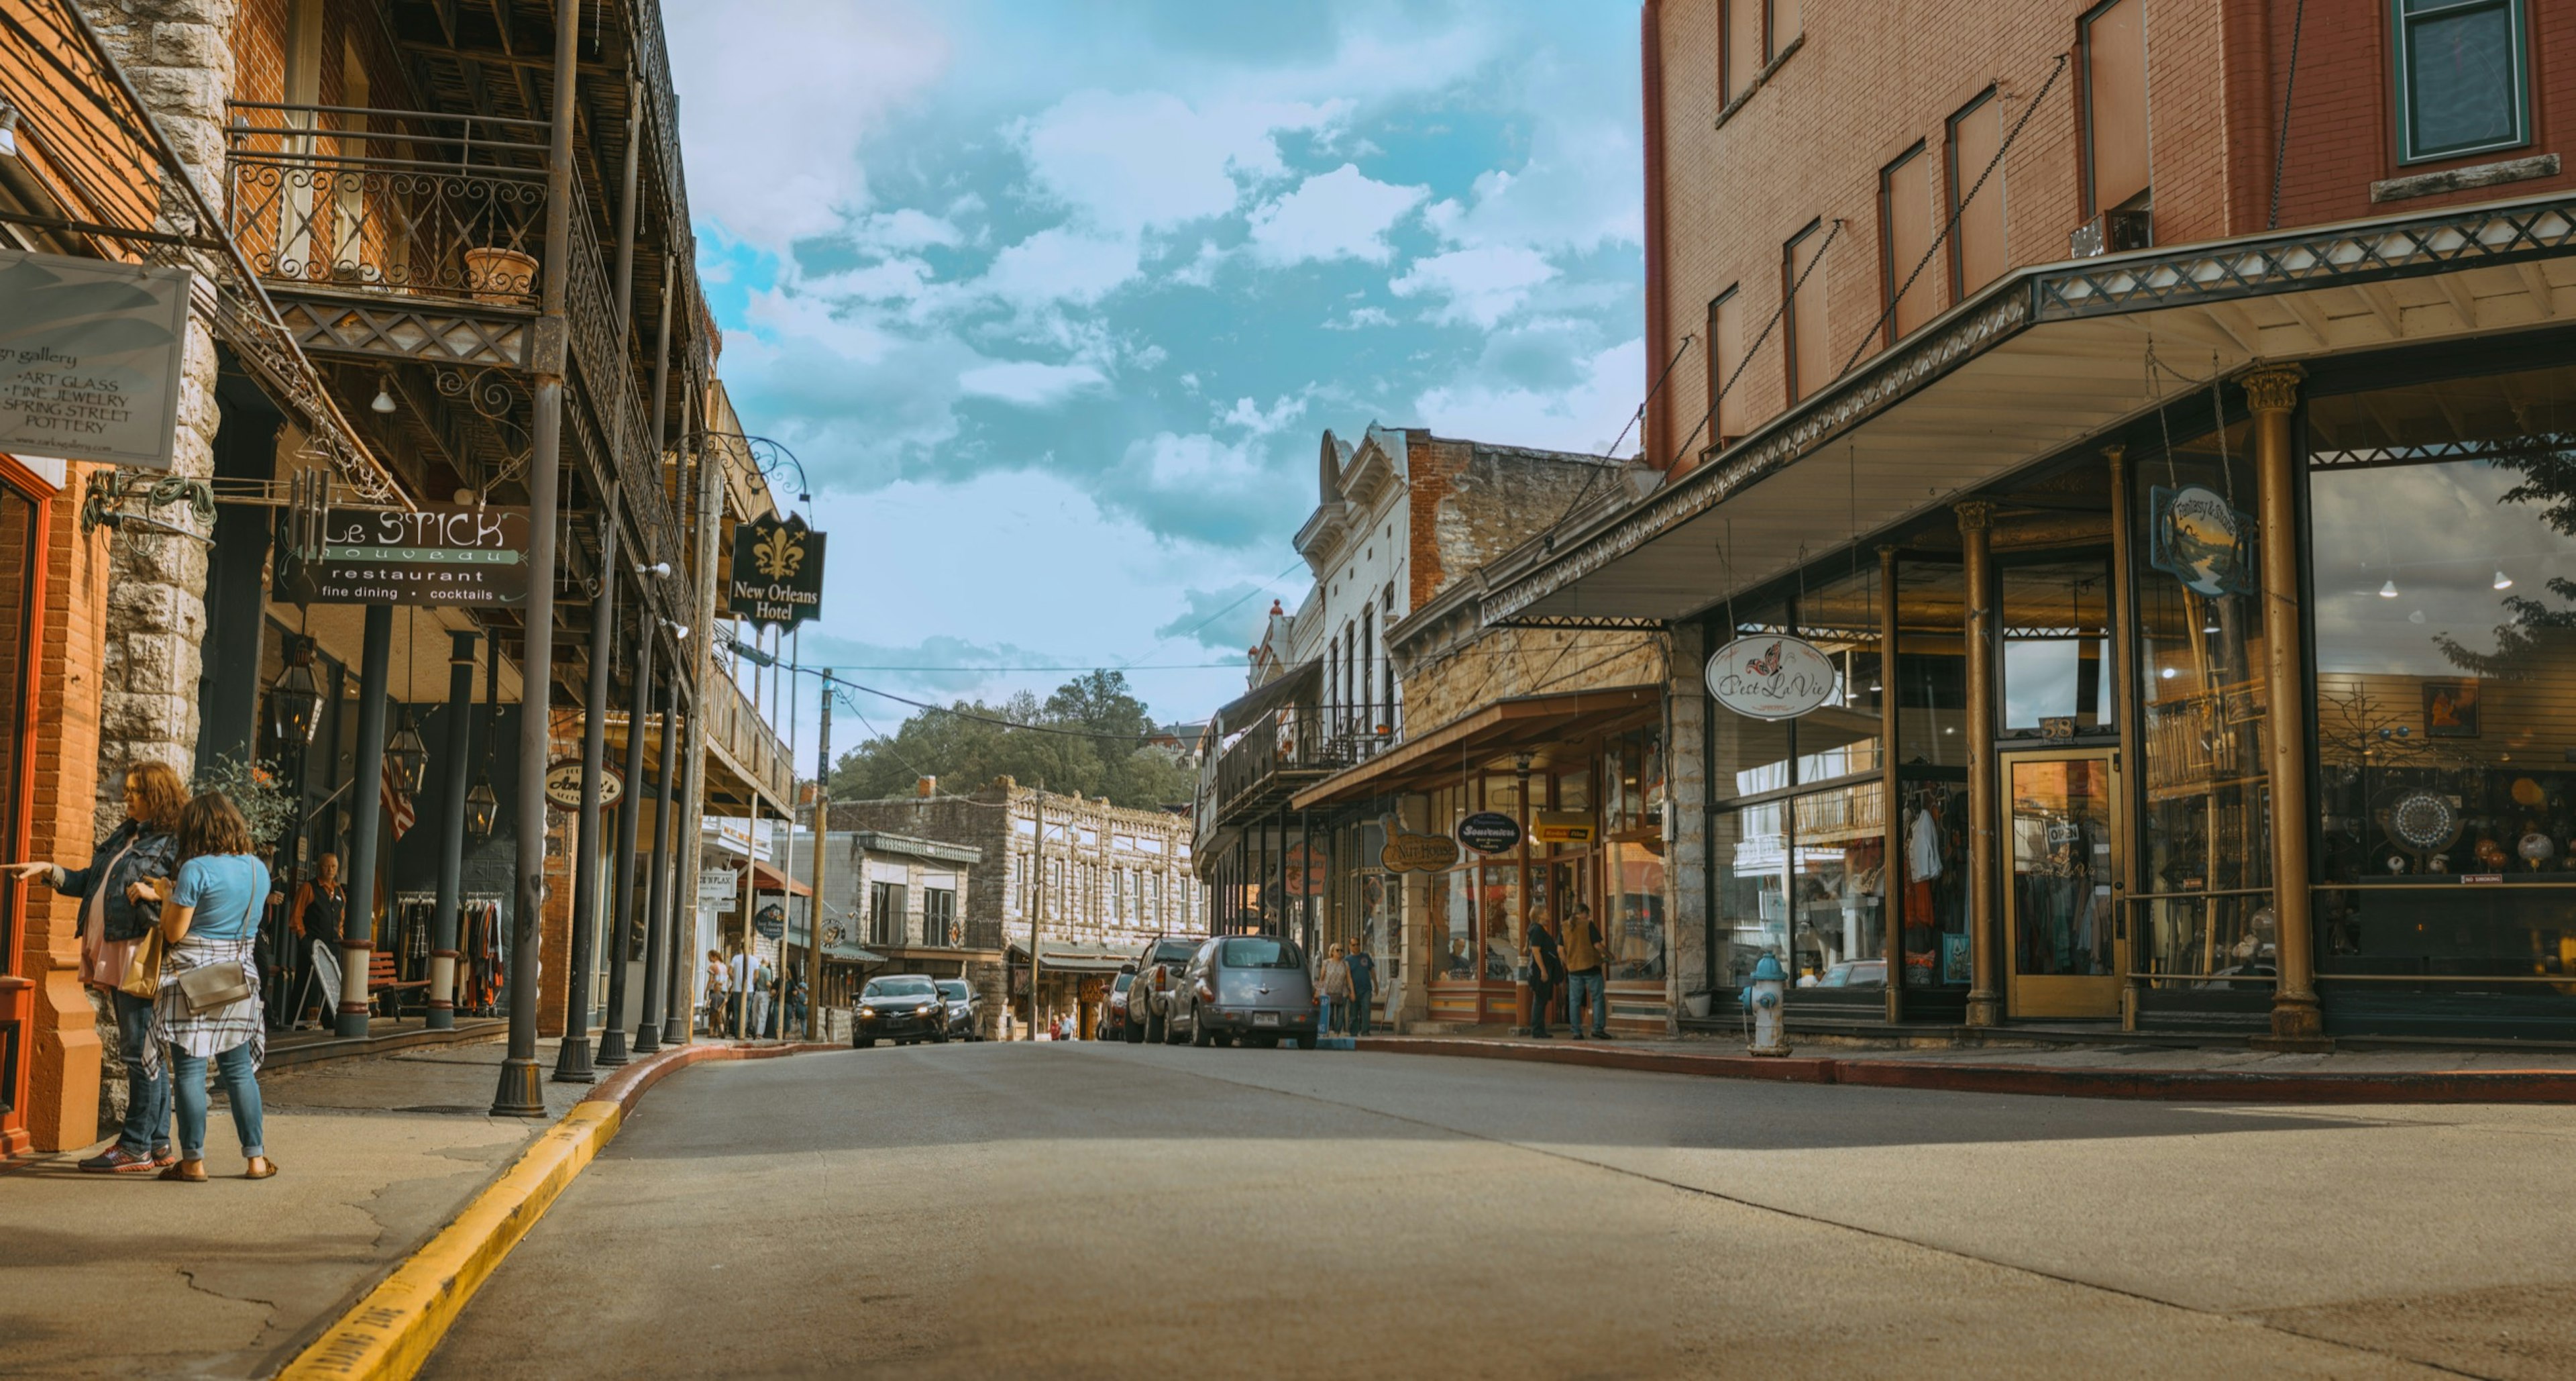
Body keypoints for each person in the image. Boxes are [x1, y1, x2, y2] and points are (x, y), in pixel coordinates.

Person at [7, 760, 185, 1173]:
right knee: (146, 1049)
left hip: (137, 953)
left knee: (140, 1051)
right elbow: (91, 880)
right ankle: (158, 1144)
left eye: (136, 791)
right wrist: (49, 871)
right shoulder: (126, 836)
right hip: (117, 949)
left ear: (156, 795)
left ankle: (135, 1145)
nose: (127, 797)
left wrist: (156, 894)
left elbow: (184, 895)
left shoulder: (173, 843)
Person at [140, 791, 275, 1181]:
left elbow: (175, 932)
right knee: (239, 1073)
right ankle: (257, 1160)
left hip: (193, 981)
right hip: (239, 979)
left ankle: (194, 1162)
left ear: (195, 830)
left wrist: (166, 895)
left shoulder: (195, 870)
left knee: (191, 1073)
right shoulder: (257, 870)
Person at [287, 852, 346, 1029]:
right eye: (326, 866)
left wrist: (340, 933)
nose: (330, 870)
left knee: (332, 983)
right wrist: (303, 938)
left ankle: (329, 1020)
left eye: (334, 867)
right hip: (312, 943)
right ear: (319, 867)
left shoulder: (338, 891)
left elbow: (341, 916)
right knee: (306, 982)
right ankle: (296, 1021)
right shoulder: (309, 887)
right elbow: (296, 915)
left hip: (333, 944)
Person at [1562, 903, 1612, 1041]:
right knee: (1597, 999)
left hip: (1574, 971)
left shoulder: (1565, 927)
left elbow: (1560, 950)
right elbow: (1598, 946)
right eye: (1588, 913)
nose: (1589, 916)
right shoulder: (1588, 925)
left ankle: (1576, 1032)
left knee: (1574, 1001)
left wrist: (1569, 964)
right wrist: (1610, 955)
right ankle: (1598, 1029)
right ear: (1582, 913)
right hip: (1591, 968)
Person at [1522, 918, 1565, 1039]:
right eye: (1546, 913)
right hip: (1540, 971)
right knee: (1540, 1000)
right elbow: (1536, 951)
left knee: (1541, 1000)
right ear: (1540, 916)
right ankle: (1537, 1030)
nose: (1548, 916)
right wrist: (1543, 971)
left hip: (1543, 969)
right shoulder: (1537, 930)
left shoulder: (1537, 929)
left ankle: (1540, 1029)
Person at [1344, 941, 1377, 1037]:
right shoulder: (1347, 960)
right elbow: (1345, 976)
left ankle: (1365, 1031)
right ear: (1350, 946)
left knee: (1366, 1009)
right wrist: (1348, 991)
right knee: (1353, 1012)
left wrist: (1376, 984)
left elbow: (1372, 970)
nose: (1356, 946)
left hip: (1366, 989)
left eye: (1358, 944)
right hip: (1353, 990)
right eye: (1354, 945)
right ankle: (1354, 1032)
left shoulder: (1365, 957)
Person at [1318, 942, 1351, 1038]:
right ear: (1332, 952)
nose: (1340, 952)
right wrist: (1319, 990)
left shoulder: (1345, 964)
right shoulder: (1326, 963)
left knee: (1341, 1014)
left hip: (1342, 992)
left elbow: (1349, 979)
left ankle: (1337, 1033)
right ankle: (1327, 1032)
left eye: (1341, 950)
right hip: (1329, 992)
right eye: (1338, 950)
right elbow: (1322, 977)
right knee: (1330, 1014)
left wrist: (1352, 992)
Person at [701, 950, 729, 1035]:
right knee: (719, 1011)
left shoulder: (713, 966)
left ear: (715, 957)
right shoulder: (724, 966)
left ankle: (713, 1032)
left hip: (715, 989)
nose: (709, 959)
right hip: (723, 990)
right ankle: (720, 1031)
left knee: (713, 1011)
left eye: (710, 957)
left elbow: (711, 980)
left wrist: (706, 991)